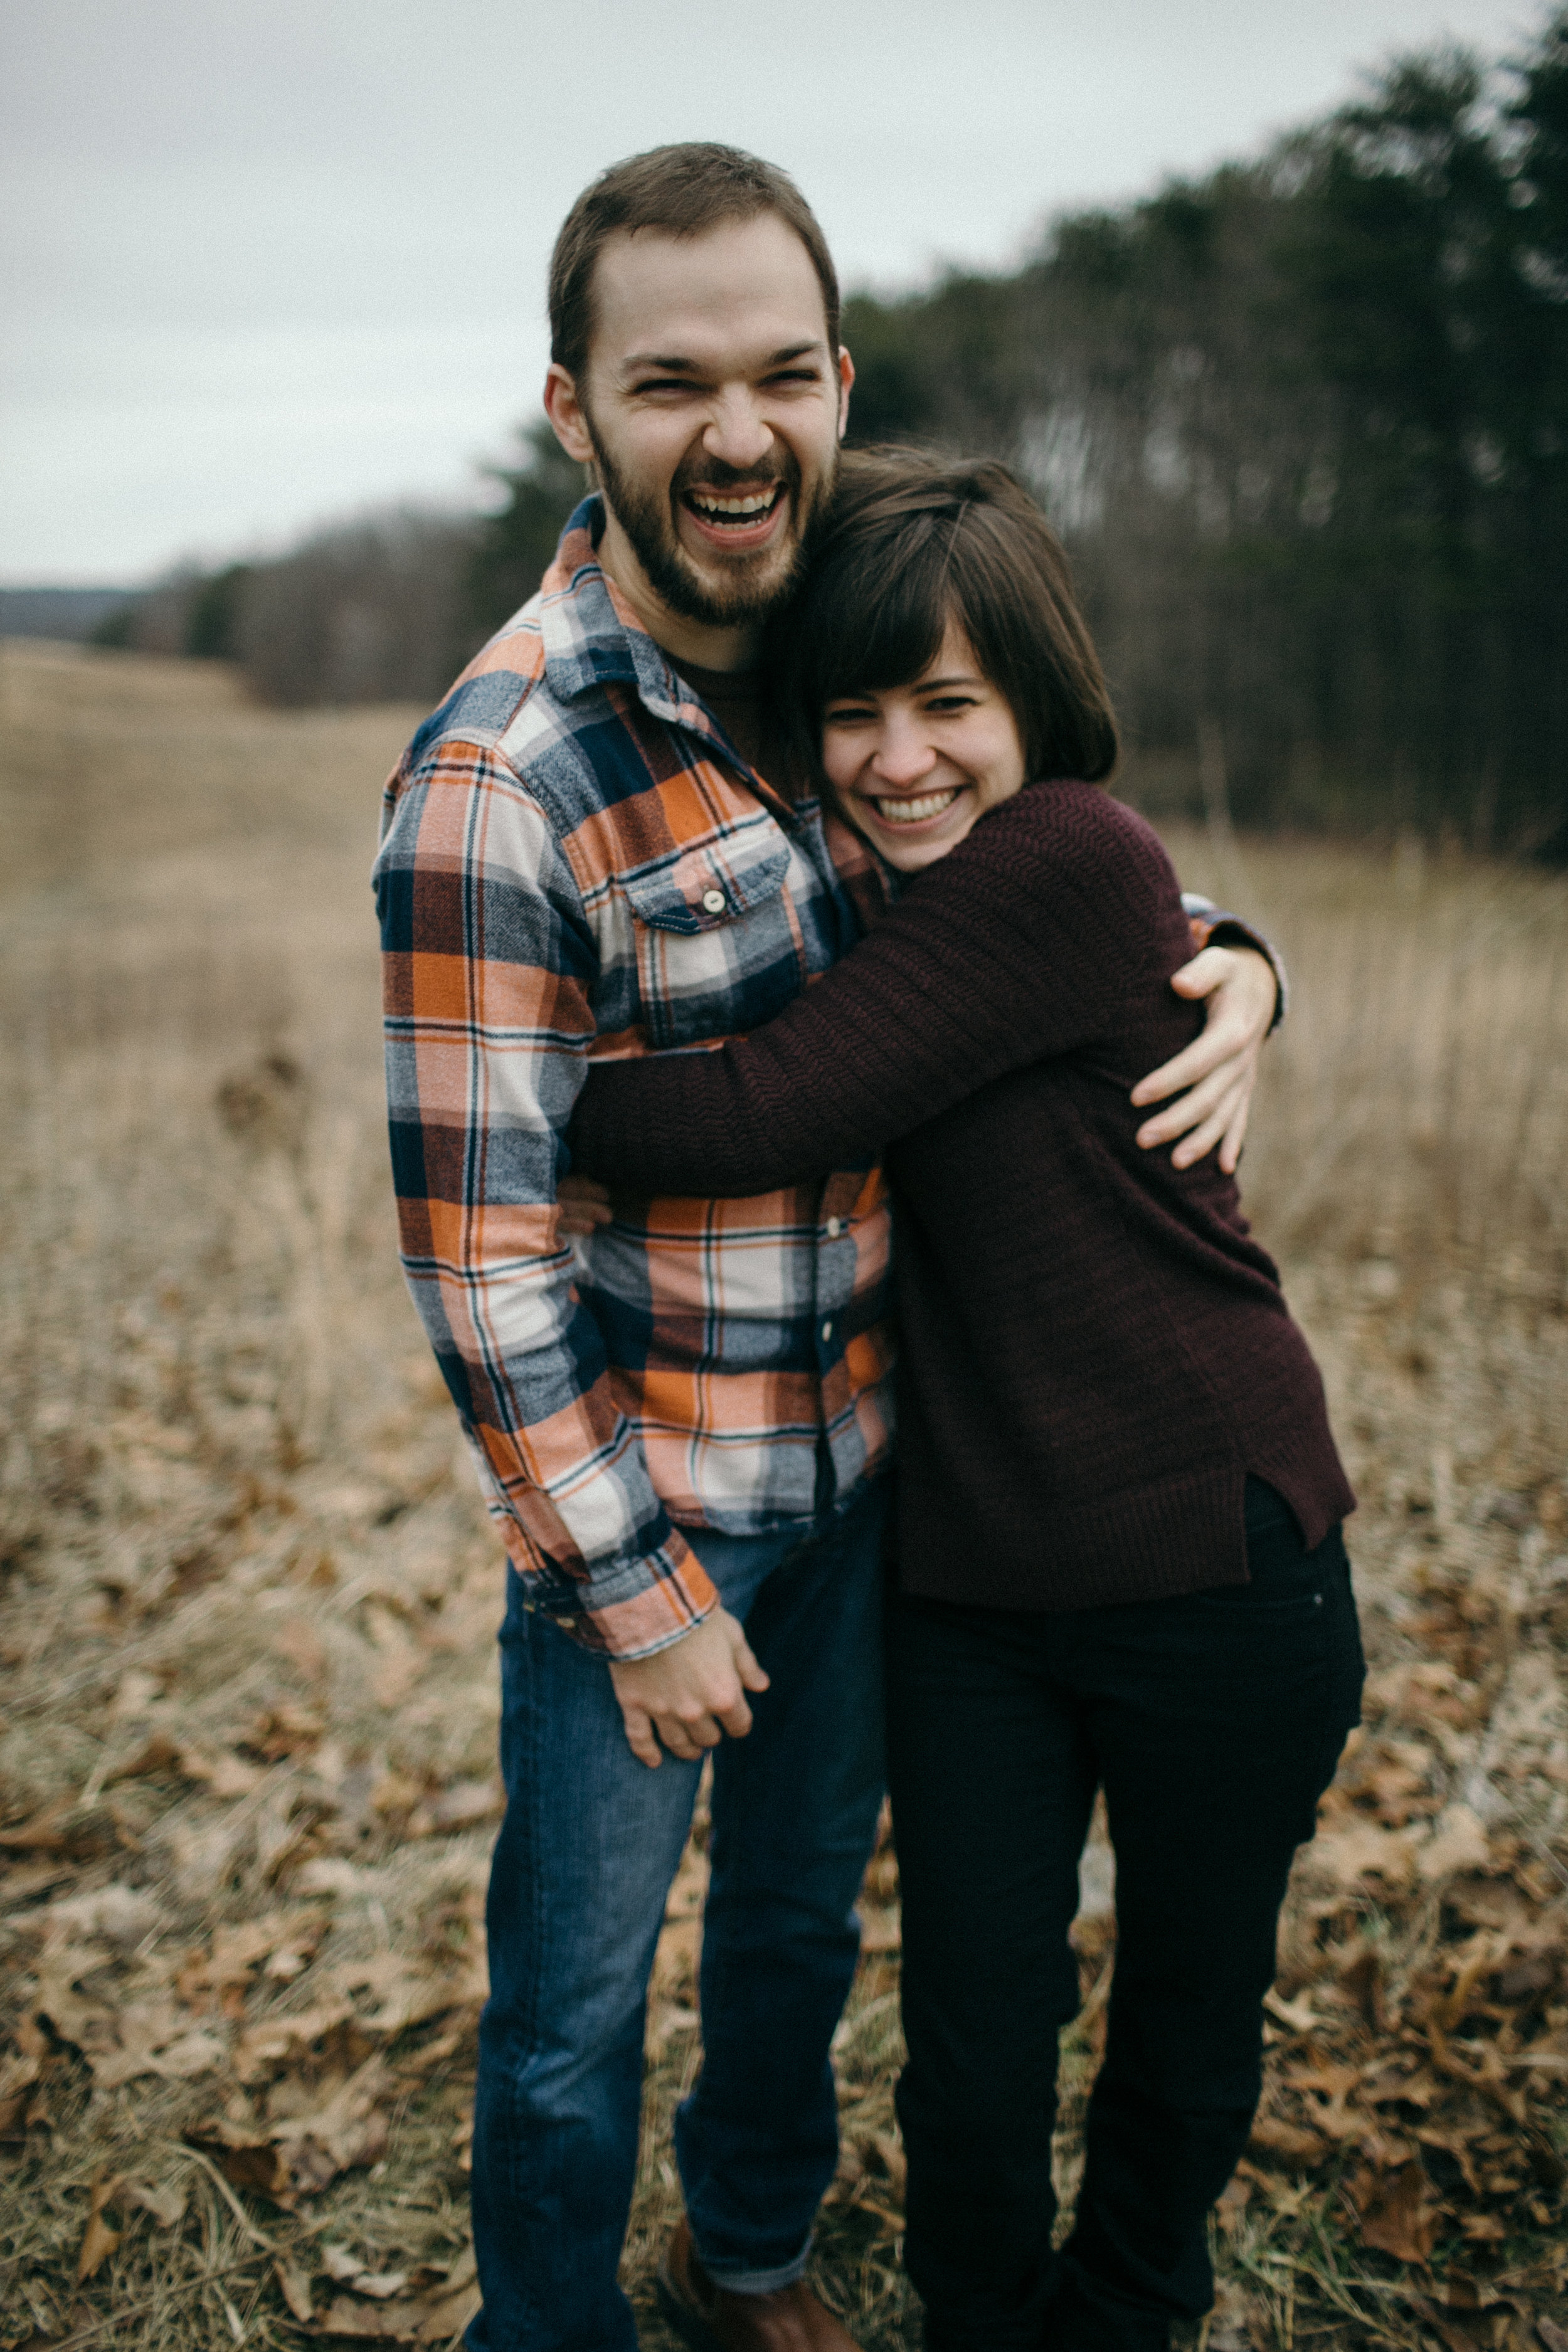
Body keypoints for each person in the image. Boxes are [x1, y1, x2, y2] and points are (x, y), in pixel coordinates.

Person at [374, 146, 1284, 2352]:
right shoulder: (506, 778)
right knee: (579, 2009)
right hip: (657, 1512)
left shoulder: (826, 650)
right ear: (576, 409)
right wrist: (634, 1592)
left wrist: (1239, 958)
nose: (738, 431)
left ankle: (750, 2253)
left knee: (794, 1942)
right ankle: (549, 2328)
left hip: (877, 1478)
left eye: (782, 375)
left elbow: (1027, 888)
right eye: (670, 381)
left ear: (838, 384)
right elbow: (482, 1265)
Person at [564, 453, 1365, 2352]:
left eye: (949, 706)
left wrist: (509, 1095)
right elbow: (1137, 924)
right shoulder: (876, 882)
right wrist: (1248, 950)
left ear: (1036, 699)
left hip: (1216, 1551)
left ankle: (1130, 2310)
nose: (897, 756)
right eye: (850, 709)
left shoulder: (1065, 859)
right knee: (973, 2045)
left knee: (1181, 2018)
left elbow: (769, 1108)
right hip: (980, 1583)